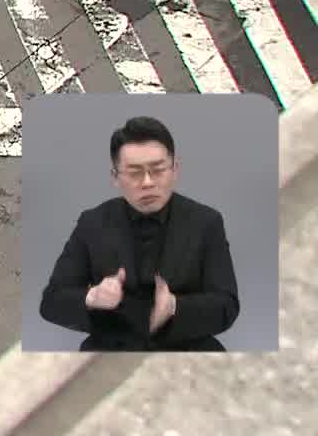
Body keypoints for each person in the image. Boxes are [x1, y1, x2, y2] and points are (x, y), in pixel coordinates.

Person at [38, 115, 240, 351]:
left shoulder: (206, 222)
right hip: (109, 354)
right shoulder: (92, 222)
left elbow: (227, 305)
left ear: (175, 169)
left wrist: (174, 306)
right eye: (134, 172)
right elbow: (51, 301)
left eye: (157, 170)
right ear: (115, 177)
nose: (147, 182)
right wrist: (93, 297)